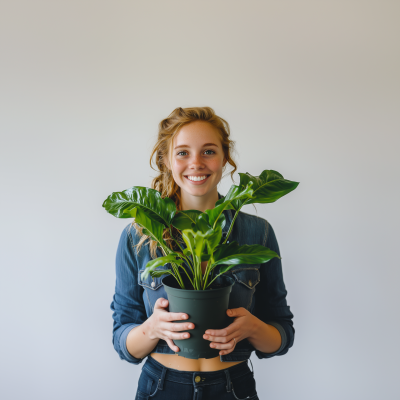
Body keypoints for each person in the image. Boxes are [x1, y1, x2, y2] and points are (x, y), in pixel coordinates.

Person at [110, 107, 294, 400]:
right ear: (167, 160)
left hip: (233, 387)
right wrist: (152, 329)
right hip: (161, 387)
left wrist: (253, 327)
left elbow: (281, 336)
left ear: (225, 159)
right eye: (182, 152)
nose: (196, 163)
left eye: (208, 151)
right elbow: (124, 342)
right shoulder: (141, 235)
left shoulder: (257, 233)